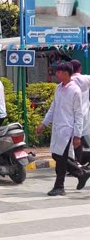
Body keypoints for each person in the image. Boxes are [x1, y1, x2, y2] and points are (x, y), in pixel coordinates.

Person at [36, 62, 90, 196]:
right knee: (58, 156)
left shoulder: (75, 90)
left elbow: (79, 114)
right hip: (58, 128)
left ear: (66, 73)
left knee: (59, 157)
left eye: (59, 72)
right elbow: (53, 108)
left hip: (68, 129)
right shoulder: (59, 88)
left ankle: (60, 186)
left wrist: (77, 135)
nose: (57, 74)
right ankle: (81, 173)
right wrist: (44, 123)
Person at [69, 59, 90, 164]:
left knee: (75, 139)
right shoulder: (86, 79)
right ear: (80, 68)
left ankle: (76, 161)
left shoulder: (68, 81)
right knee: (85, 138)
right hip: (86, 115)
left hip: (73, 115)